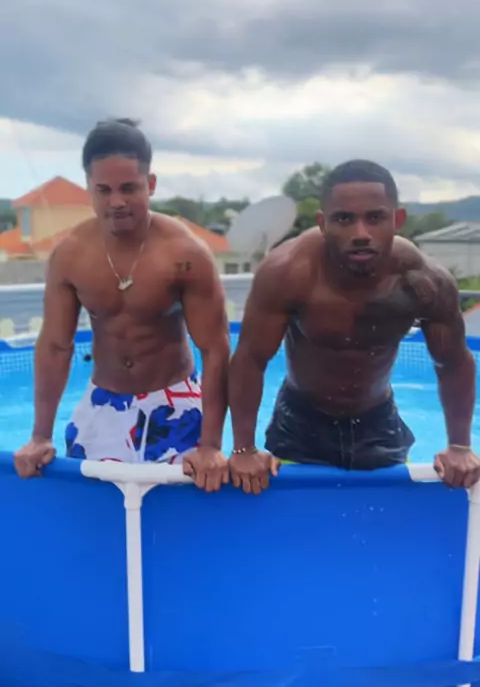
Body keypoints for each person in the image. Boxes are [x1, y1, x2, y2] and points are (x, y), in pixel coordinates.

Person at [228, 159, 480, 494]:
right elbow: (250, 359)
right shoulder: (288, 273)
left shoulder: (424, 282)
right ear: (323, 223)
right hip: (300, 421)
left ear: (397, 220)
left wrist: (460, 446)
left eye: (375, 218)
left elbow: (454, 362)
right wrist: (243, 449)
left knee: (389, 516)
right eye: (344, 219)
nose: (361, 234)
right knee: (295, 517)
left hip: (378, 421)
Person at [14, 118, 230, 492]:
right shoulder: (70, 255)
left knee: (180, 515)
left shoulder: (185, 254)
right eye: (104, 190)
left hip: (173, 402)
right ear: (89, 188)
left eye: (129, 188)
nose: (116, 201)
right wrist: (40, 435)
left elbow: (215, 350)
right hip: (104, 405)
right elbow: (55, 346)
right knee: (95, 512)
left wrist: (211, 444)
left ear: (151, 184)